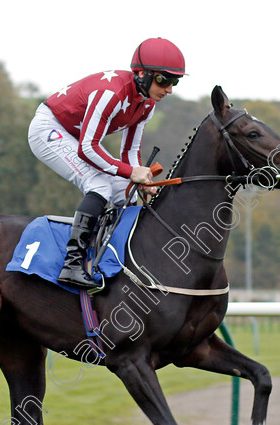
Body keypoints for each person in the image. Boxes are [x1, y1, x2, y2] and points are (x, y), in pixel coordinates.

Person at [28, 37, 186, 289]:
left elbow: (130, 150)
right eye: (163, 80)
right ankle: (73, 264)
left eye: (174, 81)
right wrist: (131, 171)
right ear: (142, 74)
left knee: (127, 193)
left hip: (79, 138)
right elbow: (87, 149)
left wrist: (139, 180)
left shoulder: (147, 104)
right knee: (99, 185)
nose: (169, 89)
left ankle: (119, 259)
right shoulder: (110, 94)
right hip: (49, 128)